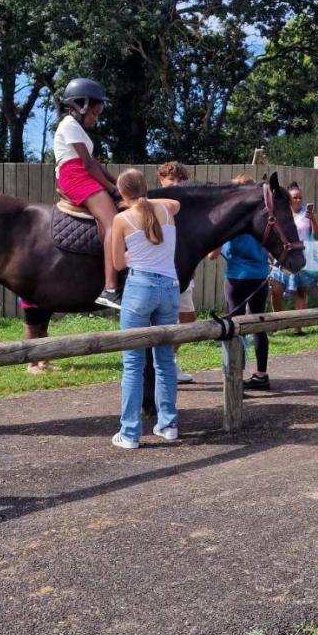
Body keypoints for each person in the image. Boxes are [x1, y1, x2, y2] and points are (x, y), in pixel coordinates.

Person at [109, 169, 182, 449]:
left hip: (140, 288)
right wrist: (147, 201)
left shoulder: (121, 219)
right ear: (146, 188)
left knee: (133, 364)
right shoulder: (166, 211)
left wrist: (133, 253)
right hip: (170, 288)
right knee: (165, 361)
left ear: (121, 192)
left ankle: (130, 433)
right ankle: (168, 425)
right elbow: (175, 203)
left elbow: (118, 263)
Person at [54, 77, 123, 309]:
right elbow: (87, 164)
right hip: (75, 176)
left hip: (82, 173)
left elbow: (95, 163)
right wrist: (111, 188)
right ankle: (110, 289)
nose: (96, 118)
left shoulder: (78, 130)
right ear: (81, 106)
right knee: (113, 223)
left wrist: (117, 182)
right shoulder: (68, 125)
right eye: (94, 113)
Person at [209, 175, 272, 391]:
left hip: (237, 277)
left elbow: (212, 254)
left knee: (234, 326)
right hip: (260, 276)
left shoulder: (232, 219)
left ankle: (234, 376)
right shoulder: (262, 217)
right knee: (259, 324)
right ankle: (262, 374)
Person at [156, 162, 195, 383]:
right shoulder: (152, 206)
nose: (176, 184)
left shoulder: (186, 208)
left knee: (188, 319)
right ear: (161, 179)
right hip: (159, 273)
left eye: (180, 180)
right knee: (160, 321)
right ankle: (159, 369)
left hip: (182, 273)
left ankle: (169, 361)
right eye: (171, 179)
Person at [270, 182, 317, 331]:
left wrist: (313, 220)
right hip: (282, 258)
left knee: (301, 293)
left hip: (300, 258)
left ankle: (298, 327)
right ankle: (278, 322)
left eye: (300, 197)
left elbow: (317, 235)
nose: (298, 200)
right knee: (276, 291)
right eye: (295, 198)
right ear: (289, 199)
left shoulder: (306, 215)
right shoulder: (281, 213)